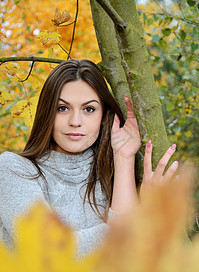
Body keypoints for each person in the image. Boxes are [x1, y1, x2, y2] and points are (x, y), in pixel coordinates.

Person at [0, 59, 178, 258]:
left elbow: (126, 262)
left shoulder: (109, 178)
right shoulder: (13, 170)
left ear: (104, 116)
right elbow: (47, 250)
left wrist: (123, 156)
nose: (75, 121)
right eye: (62, 108)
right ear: (47, 112)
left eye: (89, 109)